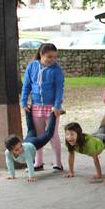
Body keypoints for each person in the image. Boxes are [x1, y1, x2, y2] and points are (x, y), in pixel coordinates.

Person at [20, 43, 65, 172]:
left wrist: (57, 106)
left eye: (54, 57)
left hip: (51, 108)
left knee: (53, 135)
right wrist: (23, 101)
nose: (52, 59)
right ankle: (38, 162)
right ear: (41, 54)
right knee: (39, 135)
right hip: (36, 106)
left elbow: (59, 89)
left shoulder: (57, 70)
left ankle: (58, 163)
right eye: (49, 56)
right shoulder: (32, 66)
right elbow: (26, 85)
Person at [4, 112, 57, 182]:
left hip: (35, 143)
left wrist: (31, 176)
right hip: (28, 141)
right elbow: (9, 162)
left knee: (49, 134)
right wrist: (12, 175)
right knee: (31, 130)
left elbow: (30, 163)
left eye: (20, 146)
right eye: (17, 150)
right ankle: (28, 111)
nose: (20, 150)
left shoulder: (25, 150)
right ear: (10, 151)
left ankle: (53, 114)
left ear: (21, 143)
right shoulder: (8, 153)